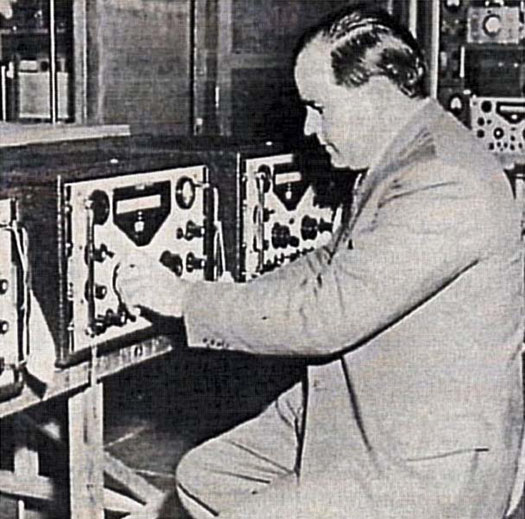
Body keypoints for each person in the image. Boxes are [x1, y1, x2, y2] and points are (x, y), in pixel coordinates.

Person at [115, 4, 524, 518]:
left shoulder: (442, 180)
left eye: (319, 106)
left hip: (425, 461)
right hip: (372, 409)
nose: (309, 127)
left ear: (377, 94)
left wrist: (186, 302)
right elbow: (324, 264)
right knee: (204, 477)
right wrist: (220, 289)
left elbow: (328, 316)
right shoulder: (401, 157)